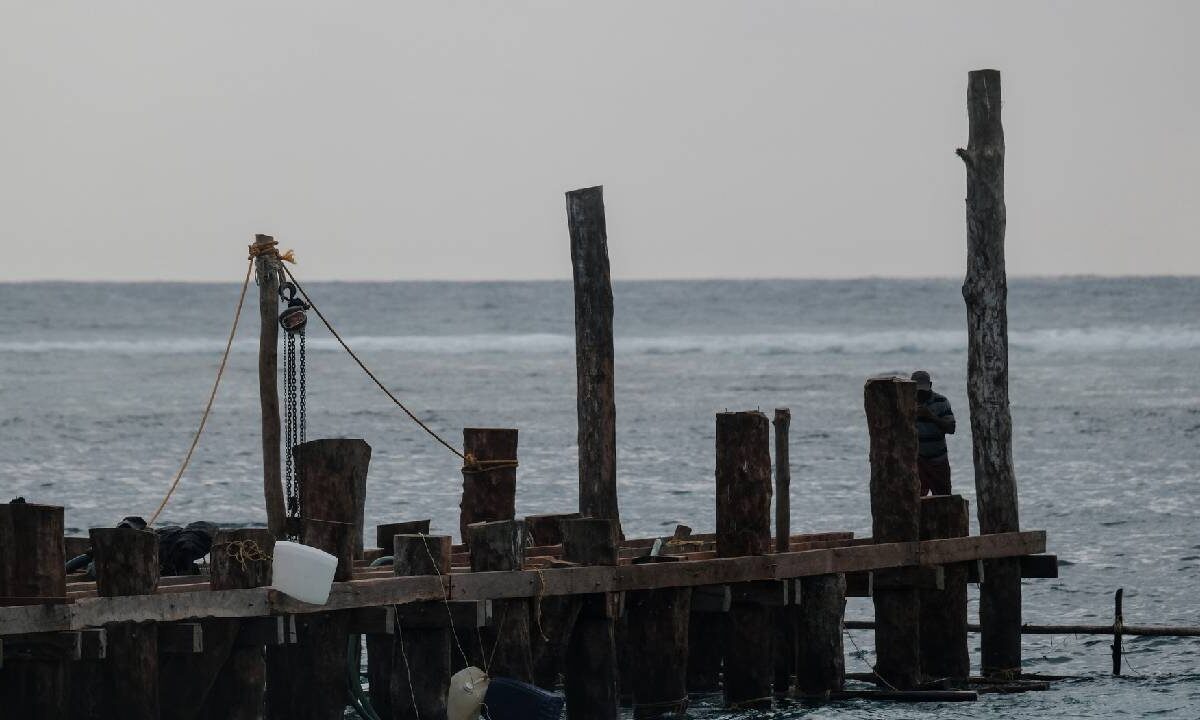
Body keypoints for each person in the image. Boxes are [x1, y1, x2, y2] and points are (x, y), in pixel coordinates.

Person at [912, 370, 956, 495]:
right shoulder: (906, 402)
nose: (920, 394)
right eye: (917, 391)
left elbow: (951, 428)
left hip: (938, 460)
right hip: (917, 461)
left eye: (923, 391)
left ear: (930, 386)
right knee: (915, 501)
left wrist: (931, 416)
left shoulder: (941, 402)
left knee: (944, 499)